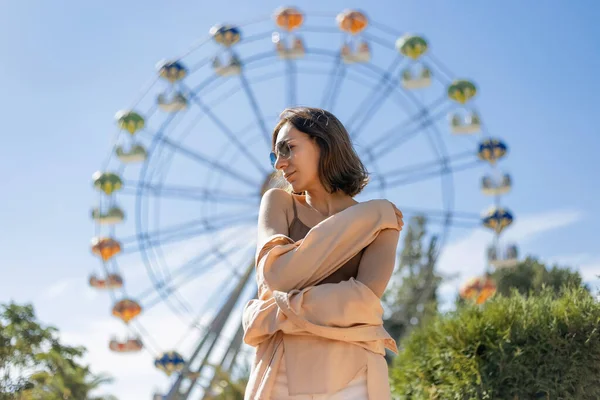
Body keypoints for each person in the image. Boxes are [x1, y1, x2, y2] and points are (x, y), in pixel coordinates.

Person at [253, 107, 402, 399]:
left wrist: (278, 312)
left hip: (356, 378)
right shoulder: (280, 203)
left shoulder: (383, 221)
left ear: (324, 143)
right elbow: (277, 277)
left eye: (288, 149)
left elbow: (362, 303)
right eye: (275, 155)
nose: (279, 164)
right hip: (283, 374)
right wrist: (369, 215)